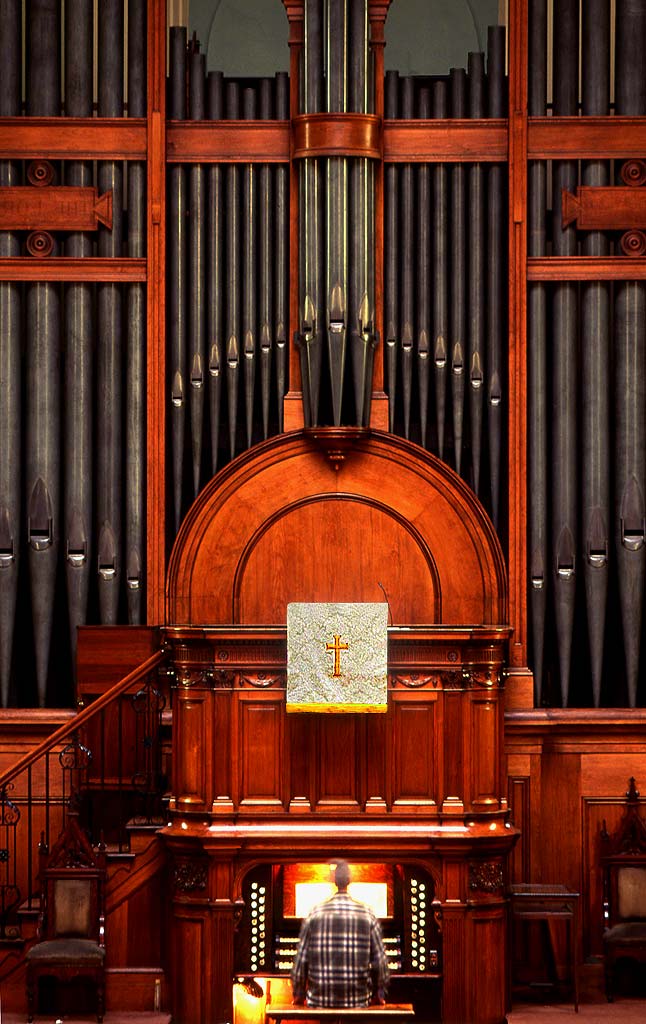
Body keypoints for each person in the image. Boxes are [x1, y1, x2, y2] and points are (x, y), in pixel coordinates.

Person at [291, 860, 390, 1008]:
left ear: (334, 881)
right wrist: (379, 994)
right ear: (349, 881)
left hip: (319, 1001)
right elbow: (380, 962)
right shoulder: (367, 913)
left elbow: (301, 960)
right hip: (359, 1000)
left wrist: (299, 994)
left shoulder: (315, 912)